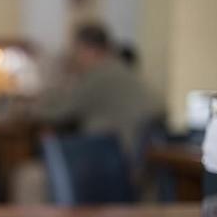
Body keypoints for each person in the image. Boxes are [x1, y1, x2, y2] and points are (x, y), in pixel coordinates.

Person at [35, 23, 154, 154]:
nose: (74, 56)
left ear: (87, 50)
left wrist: (38, 100)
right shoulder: (119, 68)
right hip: (132, 153)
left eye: (76, 50)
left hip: (112, 156)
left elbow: (57, 113)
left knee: (28, 172)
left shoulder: (98, 76)